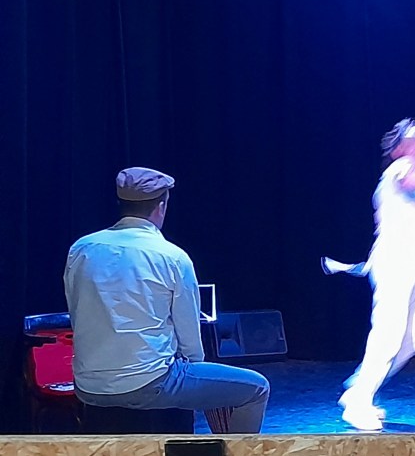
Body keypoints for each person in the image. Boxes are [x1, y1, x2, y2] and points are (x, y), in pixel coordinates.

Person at [64, 167, 270, 433]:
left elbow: (76, 312)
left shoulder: (81, 249)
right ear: (161, 207)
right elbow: (190, 344)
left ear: (120, 203)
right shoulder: (172, 256)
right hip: (150, 384)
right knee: (256, 388)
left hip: (88, 386)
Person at [322, 90, 415, 431]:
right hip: (395, 262)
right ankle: (358, 401)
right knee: (388, 334)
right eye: (412, 135)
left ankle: (360, 386)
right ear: (398, 149)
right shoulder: (398, 170)